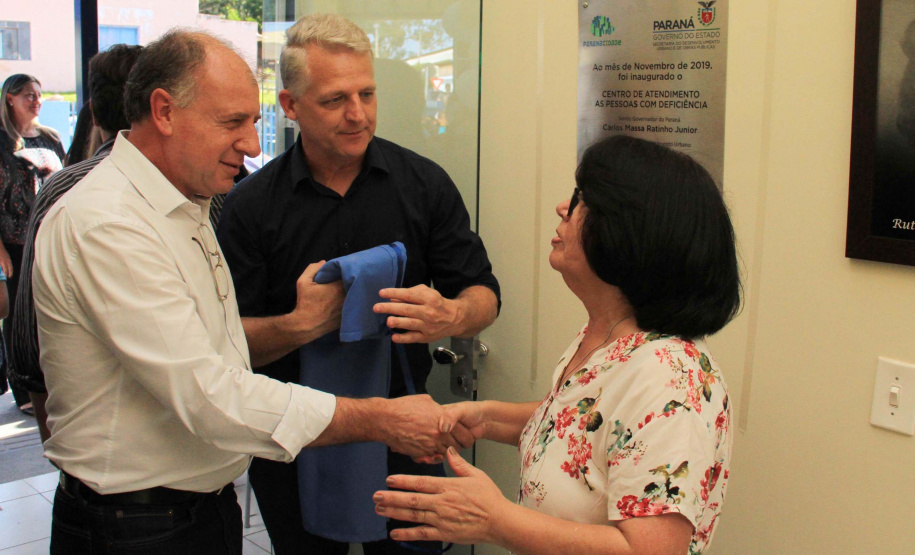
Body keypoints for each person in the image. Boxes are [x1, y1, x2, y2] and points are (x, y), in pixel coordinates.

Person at [32, 29, 464, 555]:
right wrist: (379, 418)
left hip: (197, 507)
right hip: (135, 524)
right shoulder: (109, 223)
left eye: (253, 122)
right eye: (232, 122)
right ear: (164, 112)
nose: (253, 144)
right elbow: (208, 395)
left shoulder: (182, 207)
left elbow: (219, 348)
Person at [374, 135, 741, 555]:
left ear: (627, 234)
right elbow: (591, 427)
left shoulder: (670, 379)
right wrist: (487, 419)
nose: (563, 209)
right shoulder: (609, 337)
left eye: (581, 200)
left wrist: (493, 520)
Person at [217, 13, 500, 555]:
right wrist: (299, 326)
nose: (357, 114)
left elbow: (483, 293)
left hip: (404, 432)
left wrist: (453, 316)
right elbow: (227, 345)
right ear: (291, 107)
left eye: (367, 94)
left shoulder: (423, 184)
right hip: (292, 438)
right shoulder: (251, 208)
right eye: (334, 100)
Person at [8, 44, 143, 444]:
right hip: (101, 418)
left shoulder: (207, 189)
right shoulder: (66, 189)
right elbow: (31, 331)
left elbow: (31, 337)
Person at [0, 73, 65, 415]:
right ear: (9, 98)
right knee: (18, 315)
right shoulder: (1, 141)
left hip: (50, 238)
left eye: (39, 94)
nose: (36, 100)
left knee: (50, 309)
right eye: (28, 94)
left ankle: (50, 379)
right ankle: (23, 388)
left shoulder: (52, 138)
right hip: (14, 242)